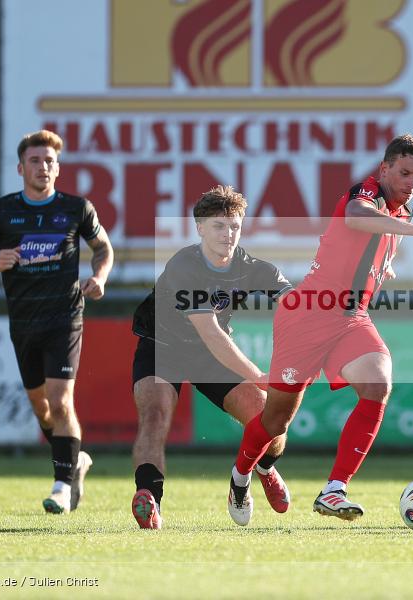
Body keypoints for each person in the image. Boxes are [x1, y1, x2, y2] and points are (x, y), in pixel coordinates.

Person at [224, 133, 413, 526]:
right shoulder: (367, 193)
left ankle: (334, 489)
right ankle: (242, 475)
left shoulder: (400, 214)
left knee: (378, 385)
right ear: (384, 169)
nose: (412, 182)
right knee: (276, 421)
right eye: (405, 173)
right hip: (308, 315)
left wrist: (383, 267)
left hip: (351, 318)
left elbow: (363, 250)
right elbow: (354, 215)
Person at [130, 185, 293, 530]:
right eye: (219, 226)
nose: (228, 234)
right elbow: (212, 334)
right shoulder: (183, 266)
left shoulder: (251, 267)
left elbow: (297, 305)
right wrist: (258, 375)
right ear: (200, 228)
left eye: (234, 226)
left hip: (208, 358)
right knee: (155, 414)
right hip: (162, 348)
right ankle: (149, 499)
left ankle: (264, 468)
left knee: (271, 418)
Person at [0, 129, 113, 514]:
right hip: (23, 323)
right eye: (34, 160)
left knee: (61, 401)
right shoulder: (1, 212)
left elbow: (103, 248)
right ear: (21, 168)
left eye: (49, 161)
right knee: (42, 409)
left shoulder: (76, 208)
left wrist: (99, 277)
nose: (42, 167)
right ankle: (75, 460)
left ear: (58, 168)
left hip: (65, 318)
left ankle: (61, 486)